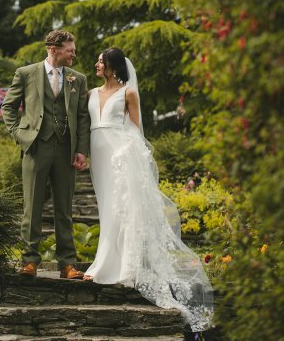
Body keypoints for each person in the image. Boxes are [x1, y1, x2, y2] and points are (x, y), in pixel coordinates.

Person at [84, 47, 213, 332]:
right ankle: (103, 262)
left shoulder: (129, 92)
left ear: (113, 66)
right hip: (98, 153)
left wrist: (129, 154)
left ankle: (125, 268)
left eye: (101, 61)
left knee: (123, 208)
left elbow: (135, 128)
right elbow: (86, 125)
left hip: (120, 155)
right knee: (106, 206)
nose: (96, 64)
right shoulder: (91, 94)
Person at [1, 30, 90, 279]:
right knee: (32, 206)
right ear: (54, 49)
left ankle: (67, 264)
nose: (74, 53)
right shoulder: (26, 73)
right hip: (35, 147)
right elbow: (8, 106)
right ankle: (30, 261)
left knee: (64, 208)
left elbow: (83, 117)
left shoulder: (78, 79)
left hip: (65, 149)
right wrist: (19, 134)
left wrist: (82, 150)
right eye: (69, 50)